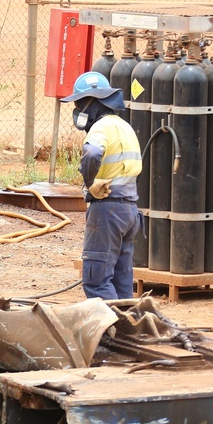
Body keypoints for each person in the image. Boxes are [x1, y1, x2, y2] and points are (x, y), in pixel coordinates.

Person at [61, 71, 143, 300]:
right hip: (129, 211)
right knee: (122, 281)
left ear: (91, 102)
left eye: (78, 102)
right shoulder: (124, 126)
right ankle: (127, 331)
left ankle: (109, 333)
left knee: (96, 281)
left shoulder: (101, 127)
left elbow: (93, 152)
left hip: (107, 210)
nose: (77, 108)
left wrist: (91, 184)